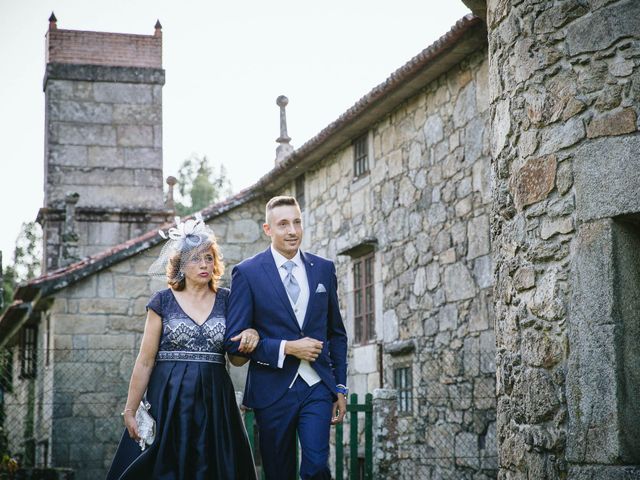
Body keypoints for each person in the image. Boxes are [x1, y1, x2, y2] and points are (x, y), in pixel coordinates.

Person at [107, 214, 258, 479]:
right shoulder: (162, 301)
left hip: (215, 399)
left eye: (208, 258)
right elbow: (145, 360)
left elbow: (235, 360)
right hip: (168, 397)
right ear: (180, 265)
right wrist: (130, 410)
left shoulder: (228, 300)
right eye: (195, 258)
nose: (204, 264)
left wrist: (250, 336)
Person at [224, 196, 348, 480]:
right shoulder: (248, 272)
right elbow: (233, 341)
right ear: (268, 229)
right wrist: (287, 348)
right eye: (283, 224)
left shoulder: (324, 269)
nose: (292, 230)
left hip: (317, 386)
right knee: (278, 471)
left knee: (317, 467)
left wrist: (340, 386)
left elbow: (336, 334)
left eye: (297, 222)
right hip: (271, 389)